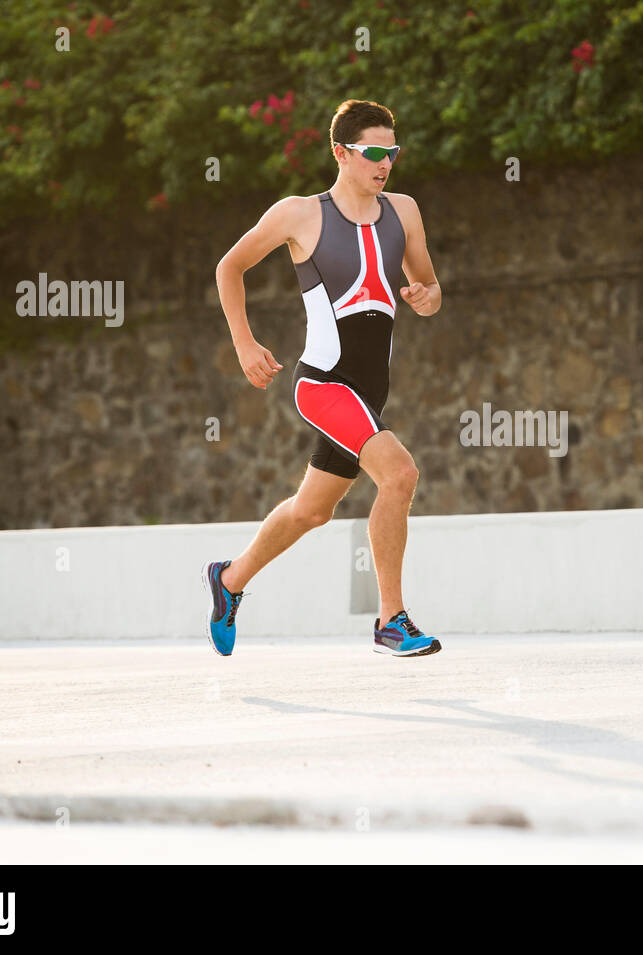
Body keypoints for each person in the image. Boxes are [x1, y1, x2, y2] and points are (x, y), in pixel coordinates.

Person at [202, 99, 442, 658]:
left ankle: (229, 579)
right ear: (342, 153)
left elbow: (430, 293)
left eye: (393, 151)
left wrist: (426, 297)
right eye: (374, 152)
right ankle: (391, 620)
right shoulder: (299, 214)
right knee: (400, 475)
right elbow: (229, 266)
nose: (386, 162)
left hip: (370, 392)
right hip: (324, 385)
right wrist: (244, 342)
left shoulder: (404, 211)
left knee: (312, 510)